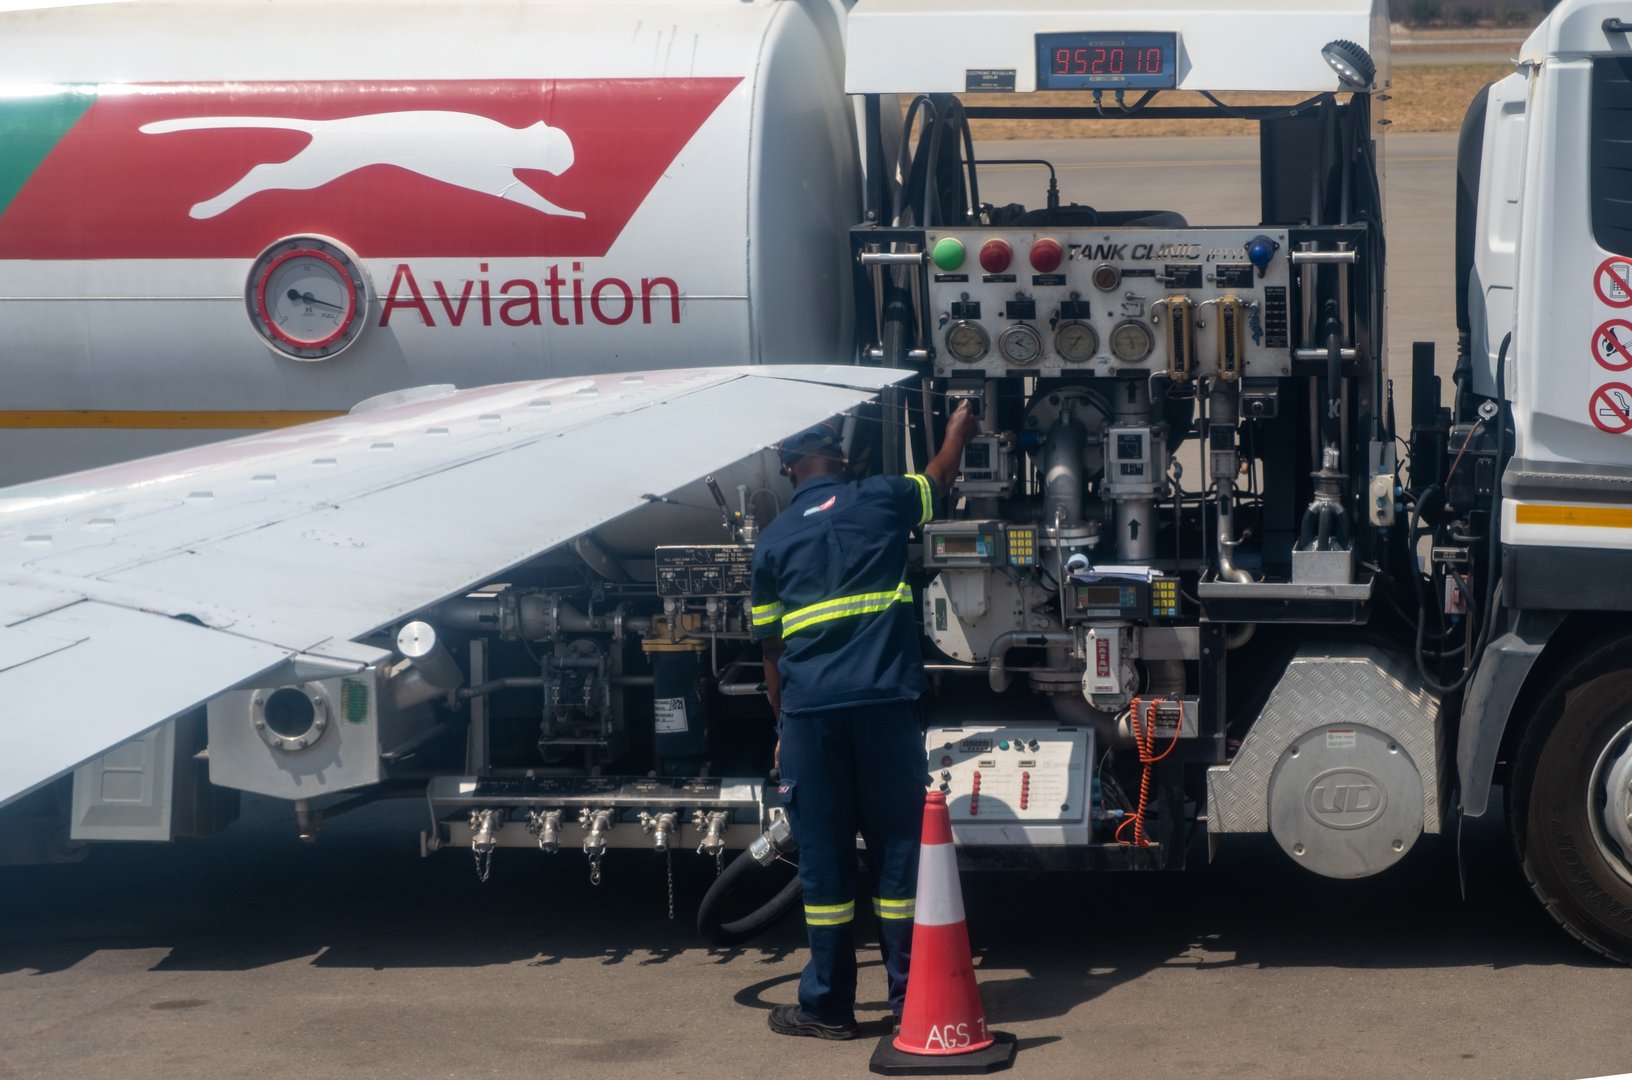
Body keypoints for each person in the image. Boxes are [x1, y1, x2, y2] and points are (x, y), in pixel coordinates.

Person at [751, 402, 978, 1040]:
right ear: (842, 461)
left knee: (825, 865)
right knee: (900, 854)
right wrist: (958, 429)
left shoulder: (772, 542)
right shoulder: (881, 500)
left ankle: (827, 1008)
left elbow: (771, 652)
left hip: (811, 718)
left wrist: (782, 727)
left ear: (788, 467)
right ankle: (914, 998)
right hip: (884, 706)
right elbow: (936, 480)